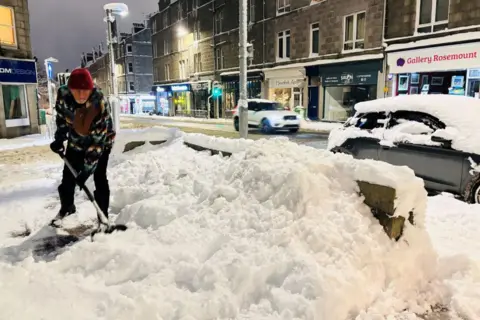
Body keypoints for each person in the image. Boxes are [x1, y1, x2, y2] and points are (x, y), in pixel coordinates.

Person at [49, 68, 116, 226]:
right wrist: (59, 138)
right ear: (70, 89)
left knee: (99, 178)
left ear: (91, 89)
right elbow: (62, 118)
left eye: (85, 91)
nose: (81, 95)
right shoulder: (64, 96)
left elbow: (97, 143)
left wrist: (86, 171)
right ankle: (67, 207)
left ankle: (103, 217)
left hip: (101, 142)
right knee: (68, 178)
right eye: (77, 91)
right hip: (76, 140)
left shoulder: (99, 104)